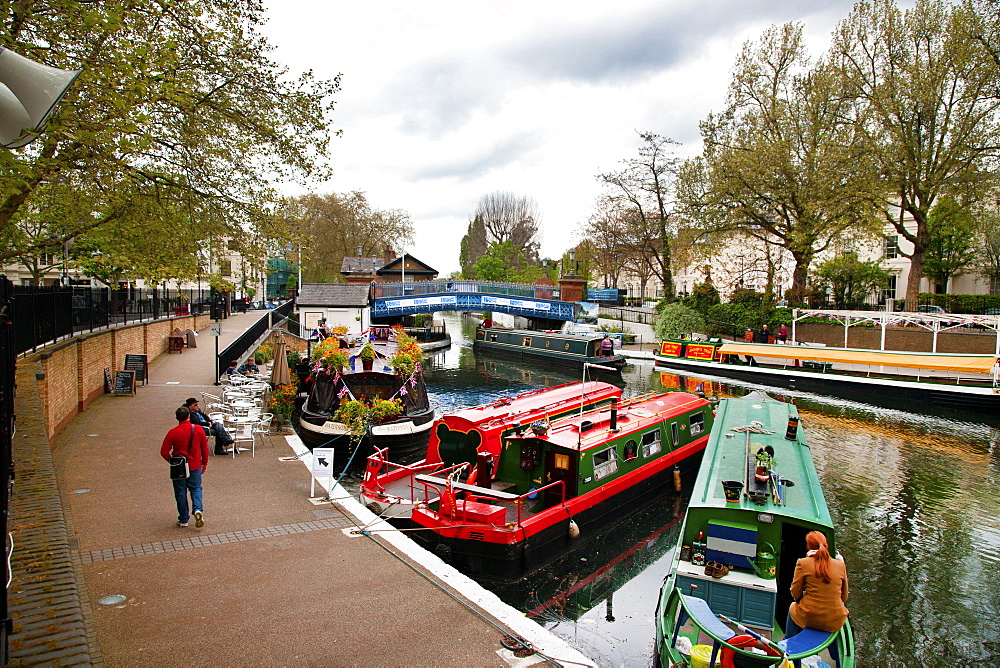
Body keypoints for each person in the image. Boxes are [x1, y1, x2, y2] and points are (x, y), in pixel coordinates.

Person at [786, 530, 849, 655]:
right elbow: (844, 596)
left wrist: (801, 599)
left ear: (808, 546)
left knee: (792, 607)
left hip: (810, 617)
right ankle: (836, 657)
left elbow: (795, 592)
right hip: (835, 619)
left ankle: (787, 645)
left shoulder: (803, 563)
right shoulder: (840, 565)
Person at [161, 406, 209, 528]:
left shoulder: (172, 432)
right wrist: (204, 463)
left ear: (177, 418)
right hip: (195, 465)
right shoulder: (198, 430)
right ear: (189, 416)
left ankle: (183, 519)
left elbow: (164, 451)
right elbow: (204, 448)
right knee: (196, 488)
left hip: (179, 468)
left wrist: (172, 461)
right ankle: (198, 509)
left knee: (180, 492)